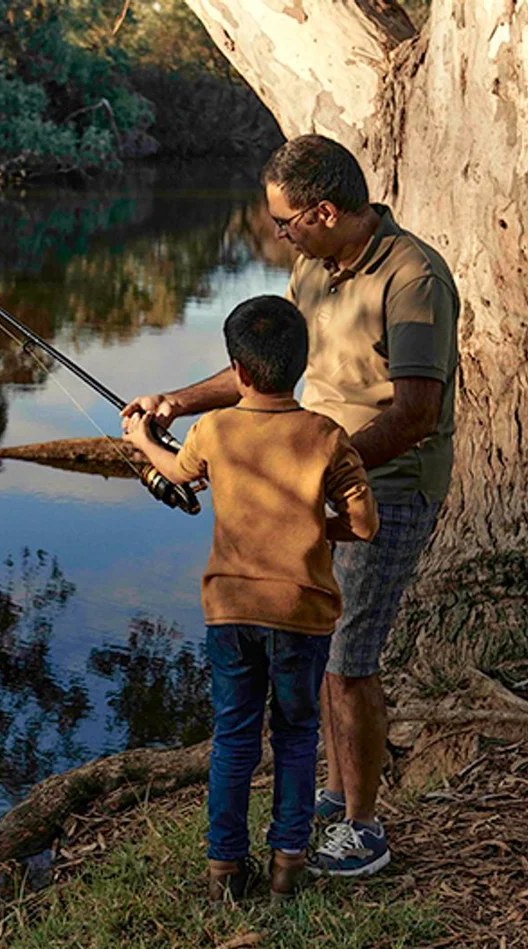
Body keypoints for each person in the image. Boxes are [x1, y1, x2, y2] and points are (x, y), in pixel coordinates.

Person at [122, 135, 459, 878]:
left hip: (385, 487)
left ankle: (364, 828)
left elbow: (416, 414)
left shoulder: (413, 278)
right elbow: (263, 375)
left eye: (286, 222)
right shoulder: (314, 267)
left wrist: (300, 473)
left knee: (348, 660)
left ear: (327, 210)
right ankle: (334, 799)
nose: (279, 235)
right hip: (312, 481)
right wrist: (176, 401)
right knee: (317, 649)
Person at [122, 295, 378, 903]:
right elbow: (365, 525)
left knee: (235, 736)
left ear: (237, 370)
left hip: (231, 612)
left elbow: (178, 473)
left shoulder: (213, 428)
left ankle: (224, 870)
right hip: (303, 613)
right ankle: (287, 862)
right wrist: (317, 524)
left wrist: (140, 439)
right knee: (294, 735)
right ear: (302, 363)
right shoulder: (326, 435)